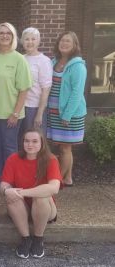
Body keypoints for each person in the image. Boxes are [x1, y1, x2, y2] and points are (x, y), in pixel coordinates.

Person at [0, 22, 32, 183]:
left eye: (8, 33)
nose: (4, 36)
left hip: (12, 114)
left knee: (10, 148)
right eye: (1, 33)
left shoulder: (19, 59)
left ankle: (10, 179)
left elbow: (24, 89)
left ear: (13, 37)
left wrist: (15, 113)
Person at [0, 128, 62, 258]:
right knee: (11, 196)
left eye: (34, 141)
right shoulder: (13, 159)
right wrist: (6, 190)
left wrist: (22, 193)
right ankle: (26, 239)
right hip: (22, 209)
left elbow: (54, 188)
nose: (30, 144)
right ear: (22, 143)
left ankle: (38, 239)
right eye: (26, 141)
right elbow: (3, 185)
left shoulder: (51, 160)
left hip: (46, 209)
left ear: (42, 143)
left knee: (40, 197)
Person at [47, 31, 87, 186]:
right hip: (54, 111)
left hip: (69, 113)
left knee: (65, 148)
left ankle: (58, 182)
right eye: (62, 41)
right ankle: (68, 178)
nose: (64, 44)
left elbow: (77, 92)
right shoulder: (53, 62)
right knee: (62, 147)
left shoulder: (78, 66)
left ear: (74, 45)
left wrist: (67, 115)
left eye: (68, 41)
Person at [19, 27, 53, 137]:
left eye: (33, 39)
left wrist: (39, 113)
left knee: (34, 140)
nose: (30, 42)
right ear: (22, 41)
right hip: (19, 106)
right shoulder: (20, 59)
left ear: (38, 41)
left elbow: (46, 89)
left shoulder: (44, 61)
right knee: (21, 140)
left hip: (33, 108)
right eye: (26, 39)